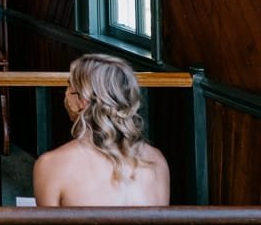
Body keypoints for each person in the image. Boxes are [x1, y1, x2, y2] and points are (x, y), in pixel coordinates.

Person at [33, 53, 170, 206]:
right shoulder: (157, 160)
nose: (66, 93)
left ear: (83, 101)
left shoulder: (51, 164)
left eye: (69, 86)